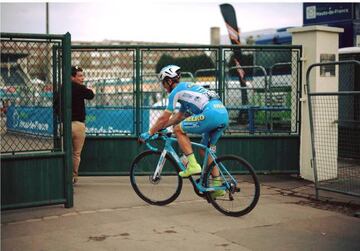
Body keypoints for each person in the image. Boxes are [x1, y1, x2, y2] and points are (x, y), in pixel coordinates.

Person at [139, 65, 229, 197]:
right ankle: (218, 186)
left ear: (169, 81)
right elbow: (178, 116)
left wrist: (149, 132)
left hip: (211, 114)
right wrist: (161, 127)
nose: (164, 86)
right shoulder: (186, 89)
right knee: (206, 150)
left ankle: (192, 165)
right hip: (223, 114)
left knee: (178, 130)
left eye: (164, 83)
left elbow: (164, 117)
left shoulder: (175, 92)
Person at [71, 66, 95, 184]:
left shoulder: (62, 88)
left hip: (64, 124)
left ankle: (64, 176)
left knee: (65, 151)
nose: (82, 78)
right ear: (72, 77)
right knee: (76, 153)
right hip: (78, 125)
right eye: (80, 76)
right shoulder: (79, 88)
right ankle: (73, 177)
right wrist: (92, 90)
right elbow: (90, 95)